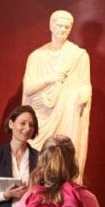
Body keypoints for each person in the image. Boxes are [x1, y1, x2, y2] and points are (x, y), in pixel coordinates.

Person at [22, 10, 92, 173]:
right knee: (38, 162)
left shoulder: (79, 56)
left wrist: (84, 95)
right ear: (51, 26)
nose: (63, 30)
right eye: (59, 26)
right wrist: (50, 79)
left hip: (67, 114)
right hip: (40, 117)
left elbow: (85, 85)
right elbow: (28, 89)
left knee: (63, 157)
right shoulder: (36, 56)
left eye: (67, 27)